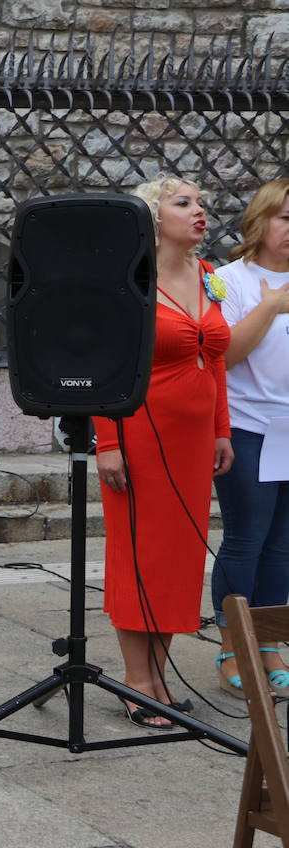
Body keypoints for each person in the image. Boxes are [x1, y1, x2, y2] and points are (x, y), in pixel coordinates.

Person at [94, 175, 234, 729]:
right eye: (184, 203)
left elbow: (216, 359)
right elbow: (106, 363)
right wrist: (107, 442)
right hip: (139, 435)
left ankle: (158, 674)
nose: (200, 211)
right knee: (140, 556)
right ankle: (137, 680)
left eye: (201, 203)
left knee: (179, 559)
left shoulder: (207, 275)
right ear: (153, 219)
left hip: (195, 440)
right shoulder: (129, 281)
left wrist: (221, 430)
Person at [210, 179, 289, 699]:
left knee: (283, 548)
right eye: (286, 219)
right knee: (246, 539)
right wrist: (273, 306)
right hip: (248, 426)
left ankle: (270, 646)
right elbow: (225, 353)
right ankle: (231, 647)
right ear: (261, 221)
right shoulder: (229, 279)